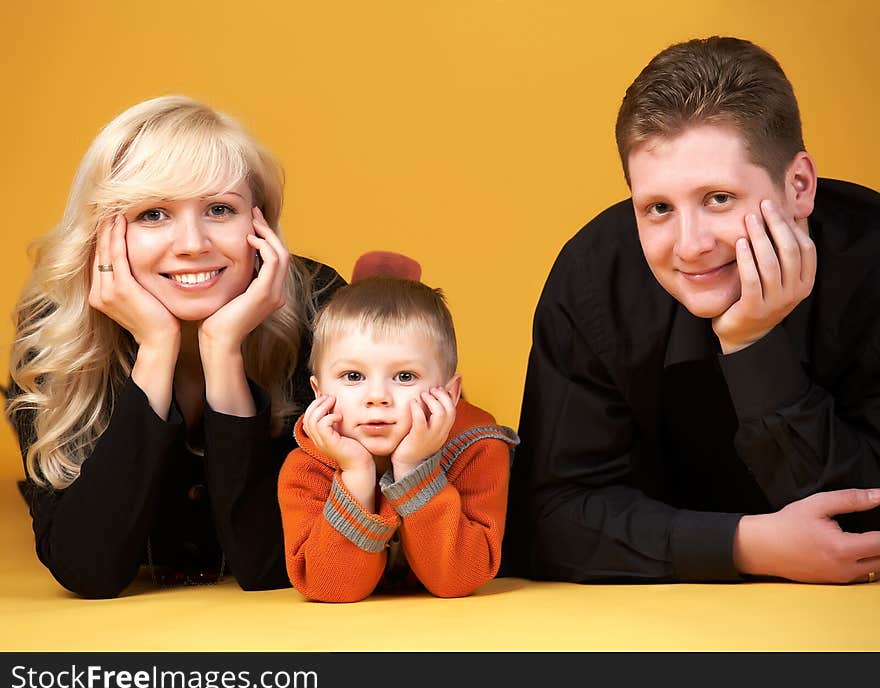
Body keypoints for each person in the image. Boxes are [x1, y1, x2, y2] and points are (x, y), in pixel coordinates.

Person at [503, 36, 880, 585]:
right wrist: (747, 547)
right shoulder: (594, 279)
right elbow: (550, 522)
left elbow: (864, 526)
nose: (689, 245)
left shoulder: (871, 265)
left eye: (718, 198)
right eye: (658, 208)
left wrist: (753, 347)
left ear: (798, 185)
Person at [4, 96, 345, 598]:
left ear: (261, 225)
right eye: (153, 213)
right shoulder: (54, 337)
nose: (192, 242)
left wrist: (224, 351)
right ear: (102, 233)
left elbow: (275, 563)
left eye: (220, 209)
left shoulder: (319, 310)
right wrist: (156, 348)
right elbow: (87, 569)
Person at [277, 277, 518, 602]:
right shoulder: (306, 469)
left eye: (405, 376)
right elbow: (330, 588)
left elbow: (457, 580)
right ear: (319, 394)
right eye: (353, 376)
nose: (377, 397)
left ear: (449, 394)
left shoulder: (478, 449)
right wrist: (356, 476)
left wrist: (413, 469)